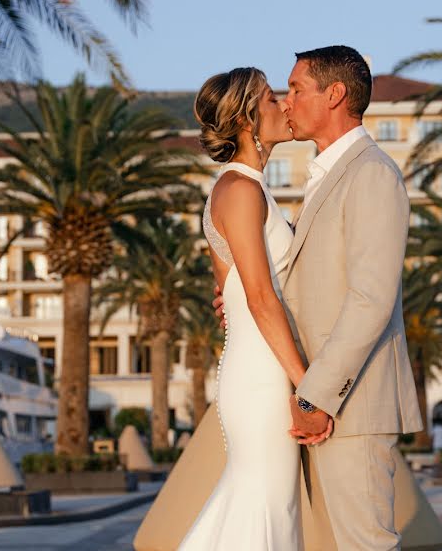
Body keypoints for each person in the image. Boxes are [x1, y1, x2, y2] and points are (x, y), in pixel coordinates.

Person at [215, 45, 423, 550]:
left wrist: (313, 395)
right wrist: (241, 296)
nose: (287, 102)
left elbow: (370, 299)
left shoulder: (371, 173)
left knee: (365, 544)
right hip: (312, 399)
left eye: (296, 89)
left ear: (335, 95)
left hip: (348, 403)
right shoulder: (321, 177)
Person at [179, 67, 331, 550]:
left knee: (264, 504)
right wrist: (309, 390)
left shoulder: (240, 189)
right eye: (270, 99)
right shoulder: (241, 190)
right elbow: (261, 299)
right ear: (247, 119)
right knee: (264, 506)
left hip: (253, 366)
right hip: (262, 374)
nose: (284, 104)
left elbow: (227, 293)